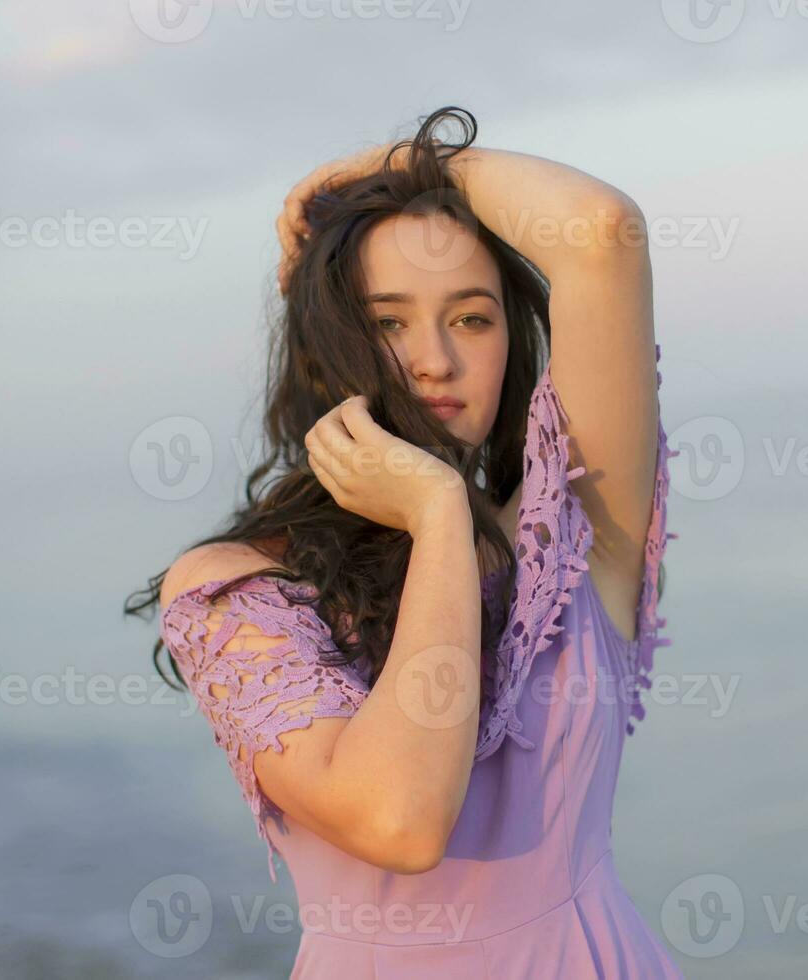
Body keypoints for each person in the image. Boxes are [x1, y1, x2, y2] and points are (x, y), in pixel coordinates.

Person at [126, 105, 681, 977]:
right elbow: (401, 820)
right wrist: (434, 515)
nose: (434, 361)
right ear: (327, 346)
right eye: (388, 322)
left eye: (471, 319)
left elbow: (600, 231)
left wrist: (383, 168)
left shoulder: (574, 538)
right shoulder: (235, 590)